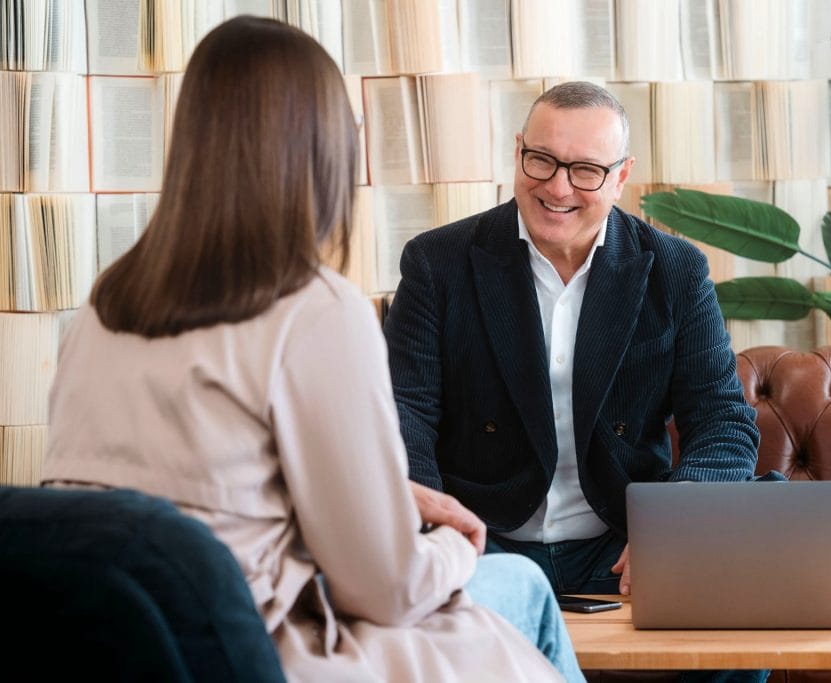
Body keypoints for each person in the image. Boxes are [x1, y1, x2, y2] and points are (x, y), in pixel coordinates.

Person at [41, 16, 583, 683]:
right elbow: (385, 589)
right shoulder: (316, 309)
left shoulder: (103, 307)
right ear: (323, 150)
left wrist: (384, 494)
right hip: (263, 655)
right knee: (522, 584)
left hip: (127, 656)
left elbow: (191, 502)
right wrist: (456, 543)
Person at [384, 81, 767, 682]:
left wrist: (674, 528)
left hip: (620, 544)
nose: (558, 188)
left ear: (621, 177)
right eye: (541, 160)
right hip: (485, 540)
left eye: (586, 170)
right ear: (518, 152)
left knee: (746, 628)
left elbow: (722, 420)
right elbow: (404, 415)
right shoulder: (438, 264)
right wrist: (436, 539)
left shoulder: (675, 270)